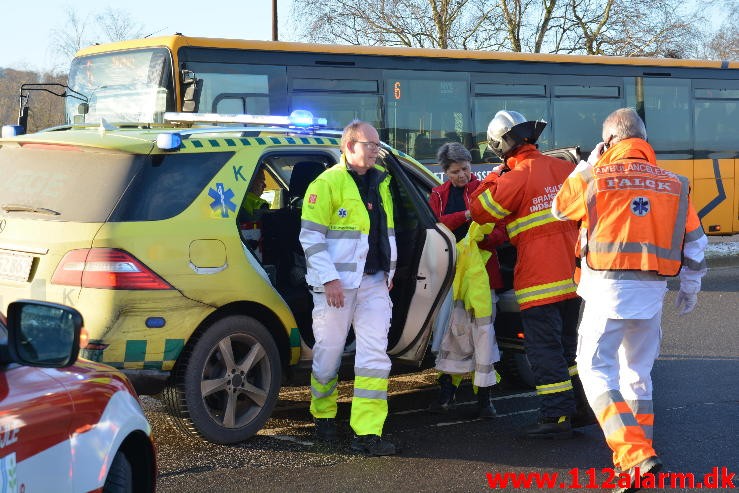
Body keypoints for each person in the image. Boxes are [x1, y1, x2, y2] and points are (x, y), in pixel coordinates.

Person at [552, 108, 707, 491]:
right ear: (644, 138)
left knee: (593, 370)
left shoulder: (596, 176)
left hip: (605, 289)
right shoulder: (676, 183)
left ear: (610, 141)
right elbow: (697, 245)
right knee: (637, 375)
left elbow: (559, 207)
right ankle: (635, 462)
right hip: (652, 293)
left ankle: (635, 454)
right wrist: (690, 288)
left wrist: (589, 162)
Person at [469, 110, 593, 439]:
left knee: (543, 350)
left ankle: (555, 416)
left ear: (499, 145)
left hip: (539, 280)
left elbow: (479, 208)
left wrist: (496, 174)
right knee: (568, 351)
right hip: (573, 277)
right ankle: (580, 407)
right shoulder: (565, 168)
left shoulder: (514, 176)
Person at [299, 120, 398, 456]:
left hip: (373, 283)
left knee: (374, 359)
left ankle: (367, 433)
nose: (375, 150)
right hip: (336, 287)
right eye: (370, 144)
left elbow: (385, 231)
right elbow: (310, 237)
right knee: (328, 356)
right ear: (349, 146)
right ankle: (324, 416)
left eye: (377, 144)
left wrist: (391, 269)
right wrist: (329, 279)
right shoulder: (326, 184)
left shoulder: (381, 182)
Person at [427, 142, 507, 418]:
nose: (462, 175)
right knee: (453, 333)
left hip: (484, 272)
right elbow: (436, 226)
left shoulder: (485, 190)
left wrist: (482, 239)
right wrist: (467, 216)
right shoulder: (438, 194)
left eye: (465, 169)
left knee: (484, 335)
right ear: (445, 172)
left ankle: (483, 398)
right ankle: (448, 388)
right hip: (452, 275)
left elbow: (502, 231)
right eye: (454, 172)